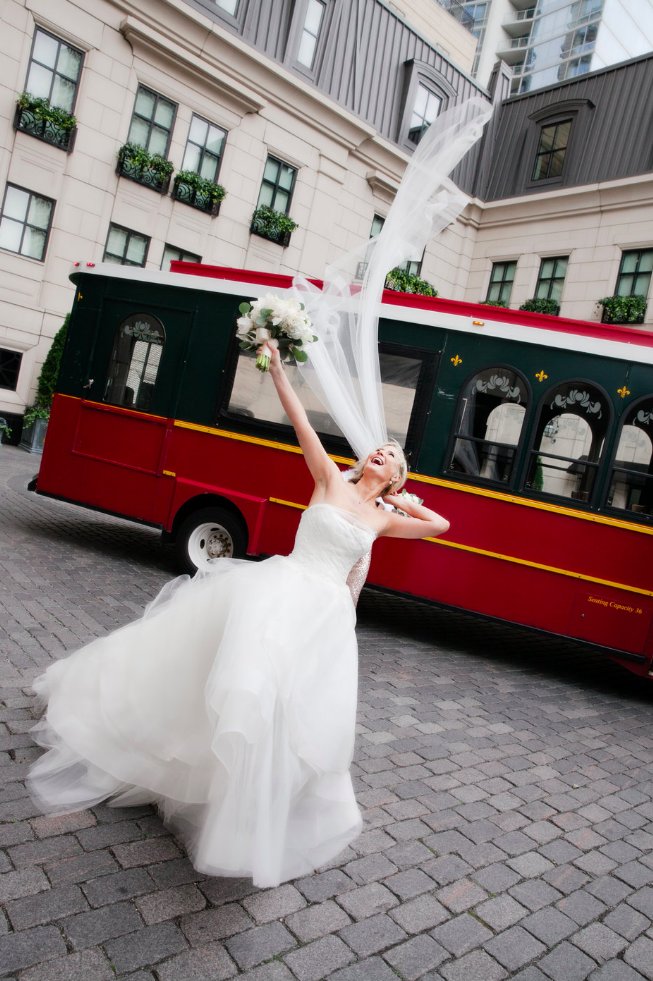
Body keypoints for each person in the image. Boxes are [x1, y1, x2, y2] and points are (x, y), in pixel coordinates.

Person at [28, 343, 450, 888]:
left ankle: (247, 800)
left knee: (285, 706)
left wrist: (405, 501)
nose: (380, 454)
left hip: (323, 619)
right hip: (277, 590)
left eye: (391, 456)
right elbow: (301, 423)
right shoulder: (327, 480)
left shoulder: (384, 519)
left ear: (395, 476)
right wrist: (276, 367)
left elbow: (439, 526)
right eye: (378, 449)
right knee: (242, 682)